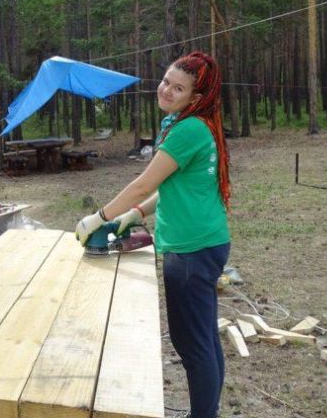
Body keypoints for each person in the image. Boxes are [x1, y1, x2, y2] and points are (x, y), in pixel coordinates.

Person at [75, 51, 230, 418]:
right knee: (204, 338)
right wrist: (137, 213)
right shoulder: (187, 122)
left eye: (178, 88)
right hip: (203, 242)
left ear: (196, 97)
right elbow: (170, 186)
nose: (166, 90)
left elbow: (144, 183)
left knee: (193, 344)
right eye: (165, 81)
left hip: (192, 249)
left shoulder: (189, 128)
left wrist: (99, 217)